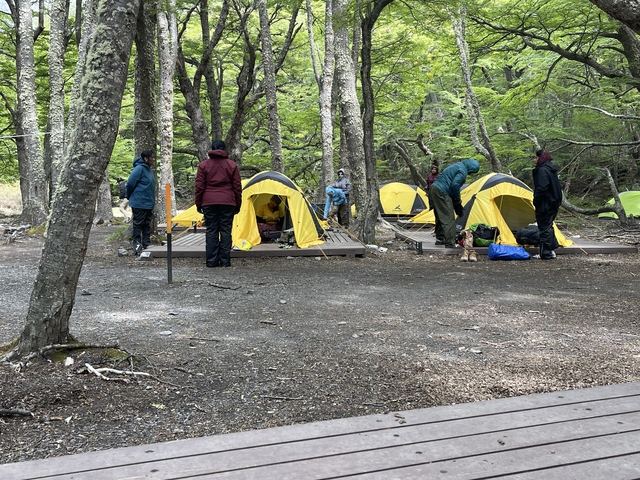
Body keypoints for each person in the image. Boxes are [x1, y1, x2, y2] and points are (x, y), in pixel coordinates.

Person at [195, 140, 242, 268]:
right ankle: (225, 261)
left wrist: (198, 203)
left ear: (212, 149)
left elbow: (199, 186)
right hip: (228, 201)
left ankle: (211, 261)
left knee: (211, 230)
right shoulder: (232, 165)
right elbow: (237, 187)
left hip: (209, 201)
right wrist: (238, 204)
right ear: (224, 149)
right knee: (226, 230)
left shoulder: (204, 165)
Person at [429, 159, 480, 247]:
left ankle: (440, 238)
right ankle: (450, 242)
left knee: (440, 215)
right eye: (472, 172)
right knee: (448, 217)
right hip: (442, 191)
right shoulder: (463, 170)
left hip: (434, 189)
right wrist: (457, 199)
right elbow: (455, 185)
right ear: (471, 169)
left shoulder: (456, 166)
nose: (470, 174)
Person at [532, 149, 562, 260]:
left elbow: (542, 188)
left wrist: (536, 200)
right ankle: (551, 250)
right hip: (554, 202)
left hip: (546, 203)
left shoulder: (542, 170)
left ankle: (546, 253)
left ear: (540, 158)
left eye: (535, 157)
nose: (534, 160)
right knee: (548, 226)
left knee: (544, 227)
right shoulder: (551, 169)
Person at [126, 150, 156, 254]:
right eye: (151, 158)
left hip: (148, 202)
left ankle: (146, 243)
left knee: (146, 223)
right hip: (139, 202)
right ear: (145, 159)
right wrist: (129, 196)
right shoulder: (139, 169)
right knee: (138, 224)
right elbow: (130, 184)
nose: (153, 159)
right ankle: (137, 245)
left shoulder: (148, 170)